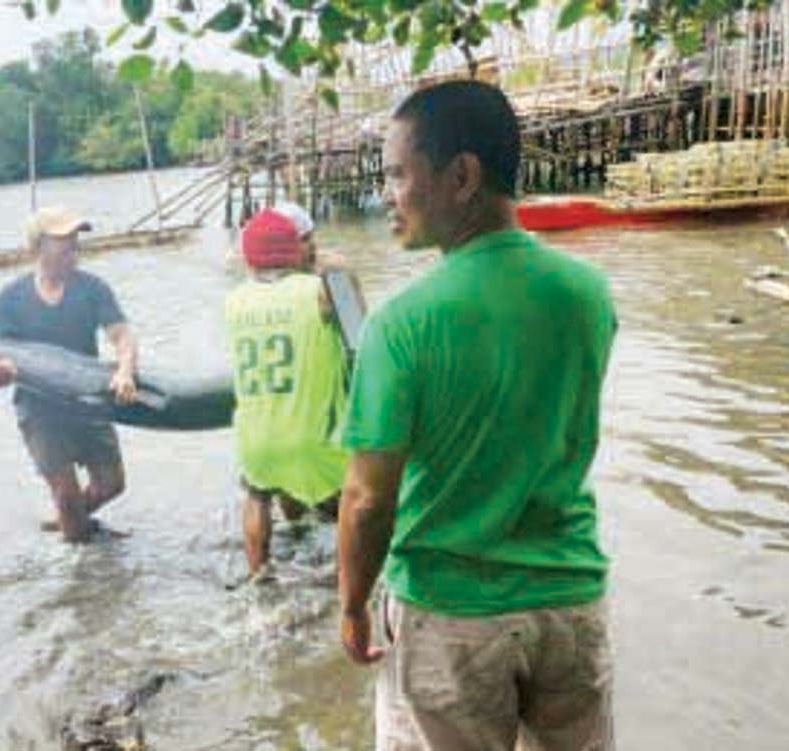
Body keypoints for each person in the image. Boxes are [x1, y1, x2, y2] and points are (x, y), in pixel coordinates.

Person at [337, 80, 617, 751]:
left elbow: (367, 498)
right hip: (571, 601)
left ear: (461, 175)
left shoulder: (401, 324)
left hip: (450, 613)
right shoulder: (588, 293)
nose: (386, 195)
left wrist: (351, 604)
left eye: (399, 174)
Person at [0, 206, 138, 543]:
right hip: (39, 409)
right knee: (66, 495)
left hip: (86, 402)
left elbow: (122, 335)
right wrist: (1, 376)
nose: (74, 245)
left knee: (112, 484)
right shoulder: (11, 298)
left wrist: (125, 371)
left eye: (75, 238)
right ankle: (81, 566)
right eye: (64, 239)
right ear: (38, 246)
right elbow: (2, 360)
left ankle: (70, 524)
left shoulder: (92, 288)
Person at [224, 205, 351, 576]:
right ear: (295, 251)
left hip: (256, 437)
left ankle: (259, 575)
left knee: (257, 495)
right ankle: (349, 593)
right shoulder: (315, 292)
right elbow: (358, 331)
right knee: (353, 508)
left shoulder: (234, 301)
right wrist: (333, 264)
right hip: (314, 437)